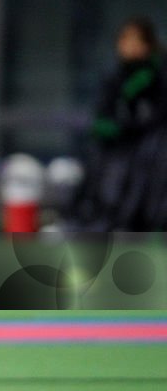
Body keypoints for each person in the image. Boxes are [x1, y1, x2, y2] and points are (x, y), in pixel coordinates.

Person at [71, 17, 167, 231]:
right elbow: (102, 116)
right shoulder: (114, 76)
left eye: (136, 41)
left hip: (149, 157)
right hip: (119, 154)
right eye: (125, 40)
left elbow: (155, 118)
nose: (129, 47)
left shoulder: (158, 74)